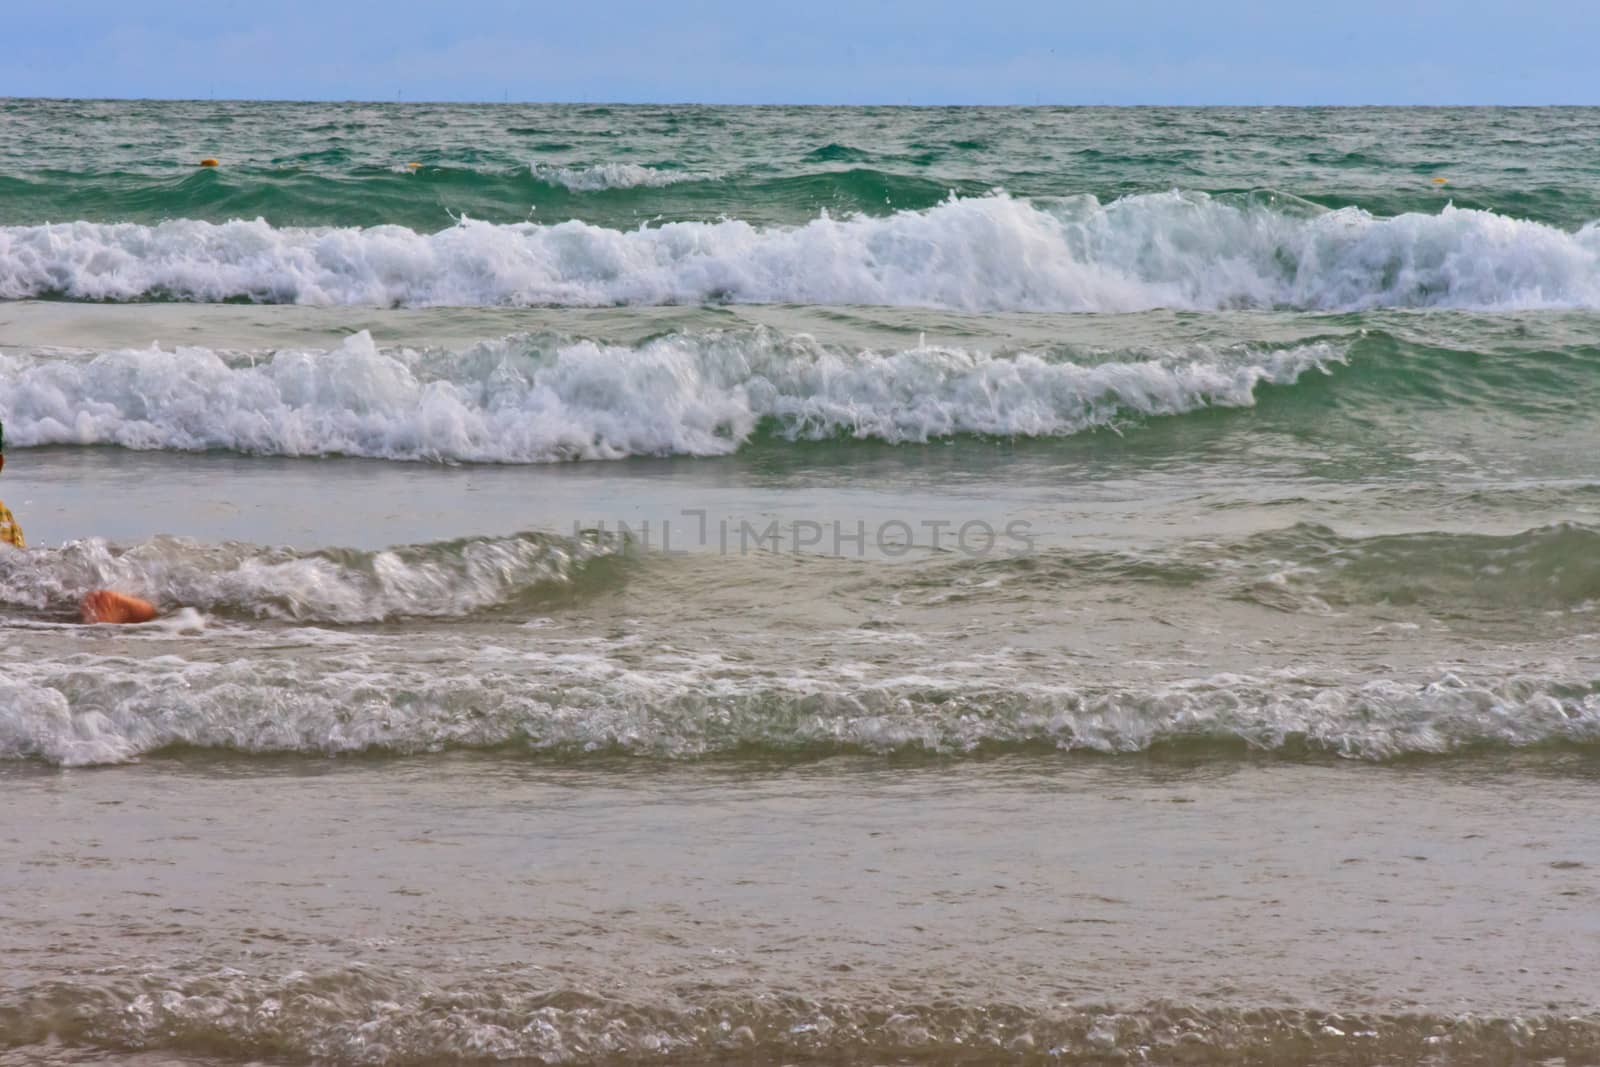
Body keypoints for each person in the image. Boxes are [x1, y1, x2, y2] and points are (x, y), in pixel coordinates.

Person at [0, 420, 159, 624]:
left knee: (33, 599)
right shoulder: (5, 516)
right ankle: (133, 608)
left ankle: (108, 608)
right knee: (43, 589)